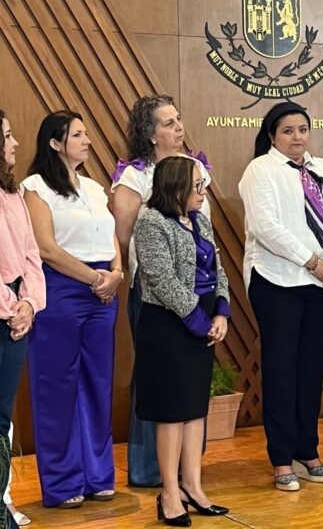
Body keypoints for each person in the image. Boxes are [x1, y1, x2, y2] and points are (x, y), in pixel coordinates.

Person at [240, 102, 323, 491]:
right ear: (273, 135)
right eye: (288, 130)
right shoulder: (261, 170)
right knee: (280, 370)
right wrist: (312, 261)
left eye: (303, 129)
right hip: (277, 281)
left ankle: (308, 452)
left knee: (311, 370)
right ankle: (280, 459)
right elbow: (266, 227)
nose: (297, 137)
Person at [111, 95, 211, 487]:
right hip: (154, 291)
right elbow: (124, 237)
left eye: (179, 119)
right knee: (156, 380)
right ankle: (150, 470)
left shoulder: (197, 168)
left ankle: (189, 473)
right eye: (168, 123)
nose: (178, 128)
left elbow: (205, 230)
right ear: (149, 134)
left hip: (196, 291)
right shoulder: (134, 177)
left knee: (190, 383)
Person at [22, 111, 121, 507]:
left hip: (103, 293)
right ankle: (63, 483)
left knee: (98, 384)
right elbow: (46, 248)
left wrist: (116, 272)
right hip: (62, 290)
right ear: (54, 142)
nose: (87, 140)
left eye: (86, 132)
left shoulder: (96, 189)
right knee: (56, 387)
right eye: (77, 134)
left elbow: (112, 238)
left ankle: (97, 476)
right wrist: (94, 279)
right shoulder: (35, 187)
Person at [134, 156, 230, 525]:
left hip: (202, 321)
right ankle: (169, 494)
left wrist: (220, 314)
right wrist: (199, 320)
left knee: (195, 409)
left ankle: (194, 486)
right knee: (172, 413)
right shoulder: (151, 222)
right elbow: (160, 279)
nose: (203, 192)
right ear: (174, 186)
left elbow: (218, 270)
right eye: (197, 185)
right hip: (169, 325)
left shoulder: (201, 221)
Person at [0, 111, 46, 528]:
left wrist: (29, 303)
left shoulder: (12, 193)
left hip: (16, 315)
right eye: (8, 136)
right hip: (4, 311)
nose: (15, 143)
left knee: (2, 417)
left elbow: (32, 254)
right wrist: (10, 304)